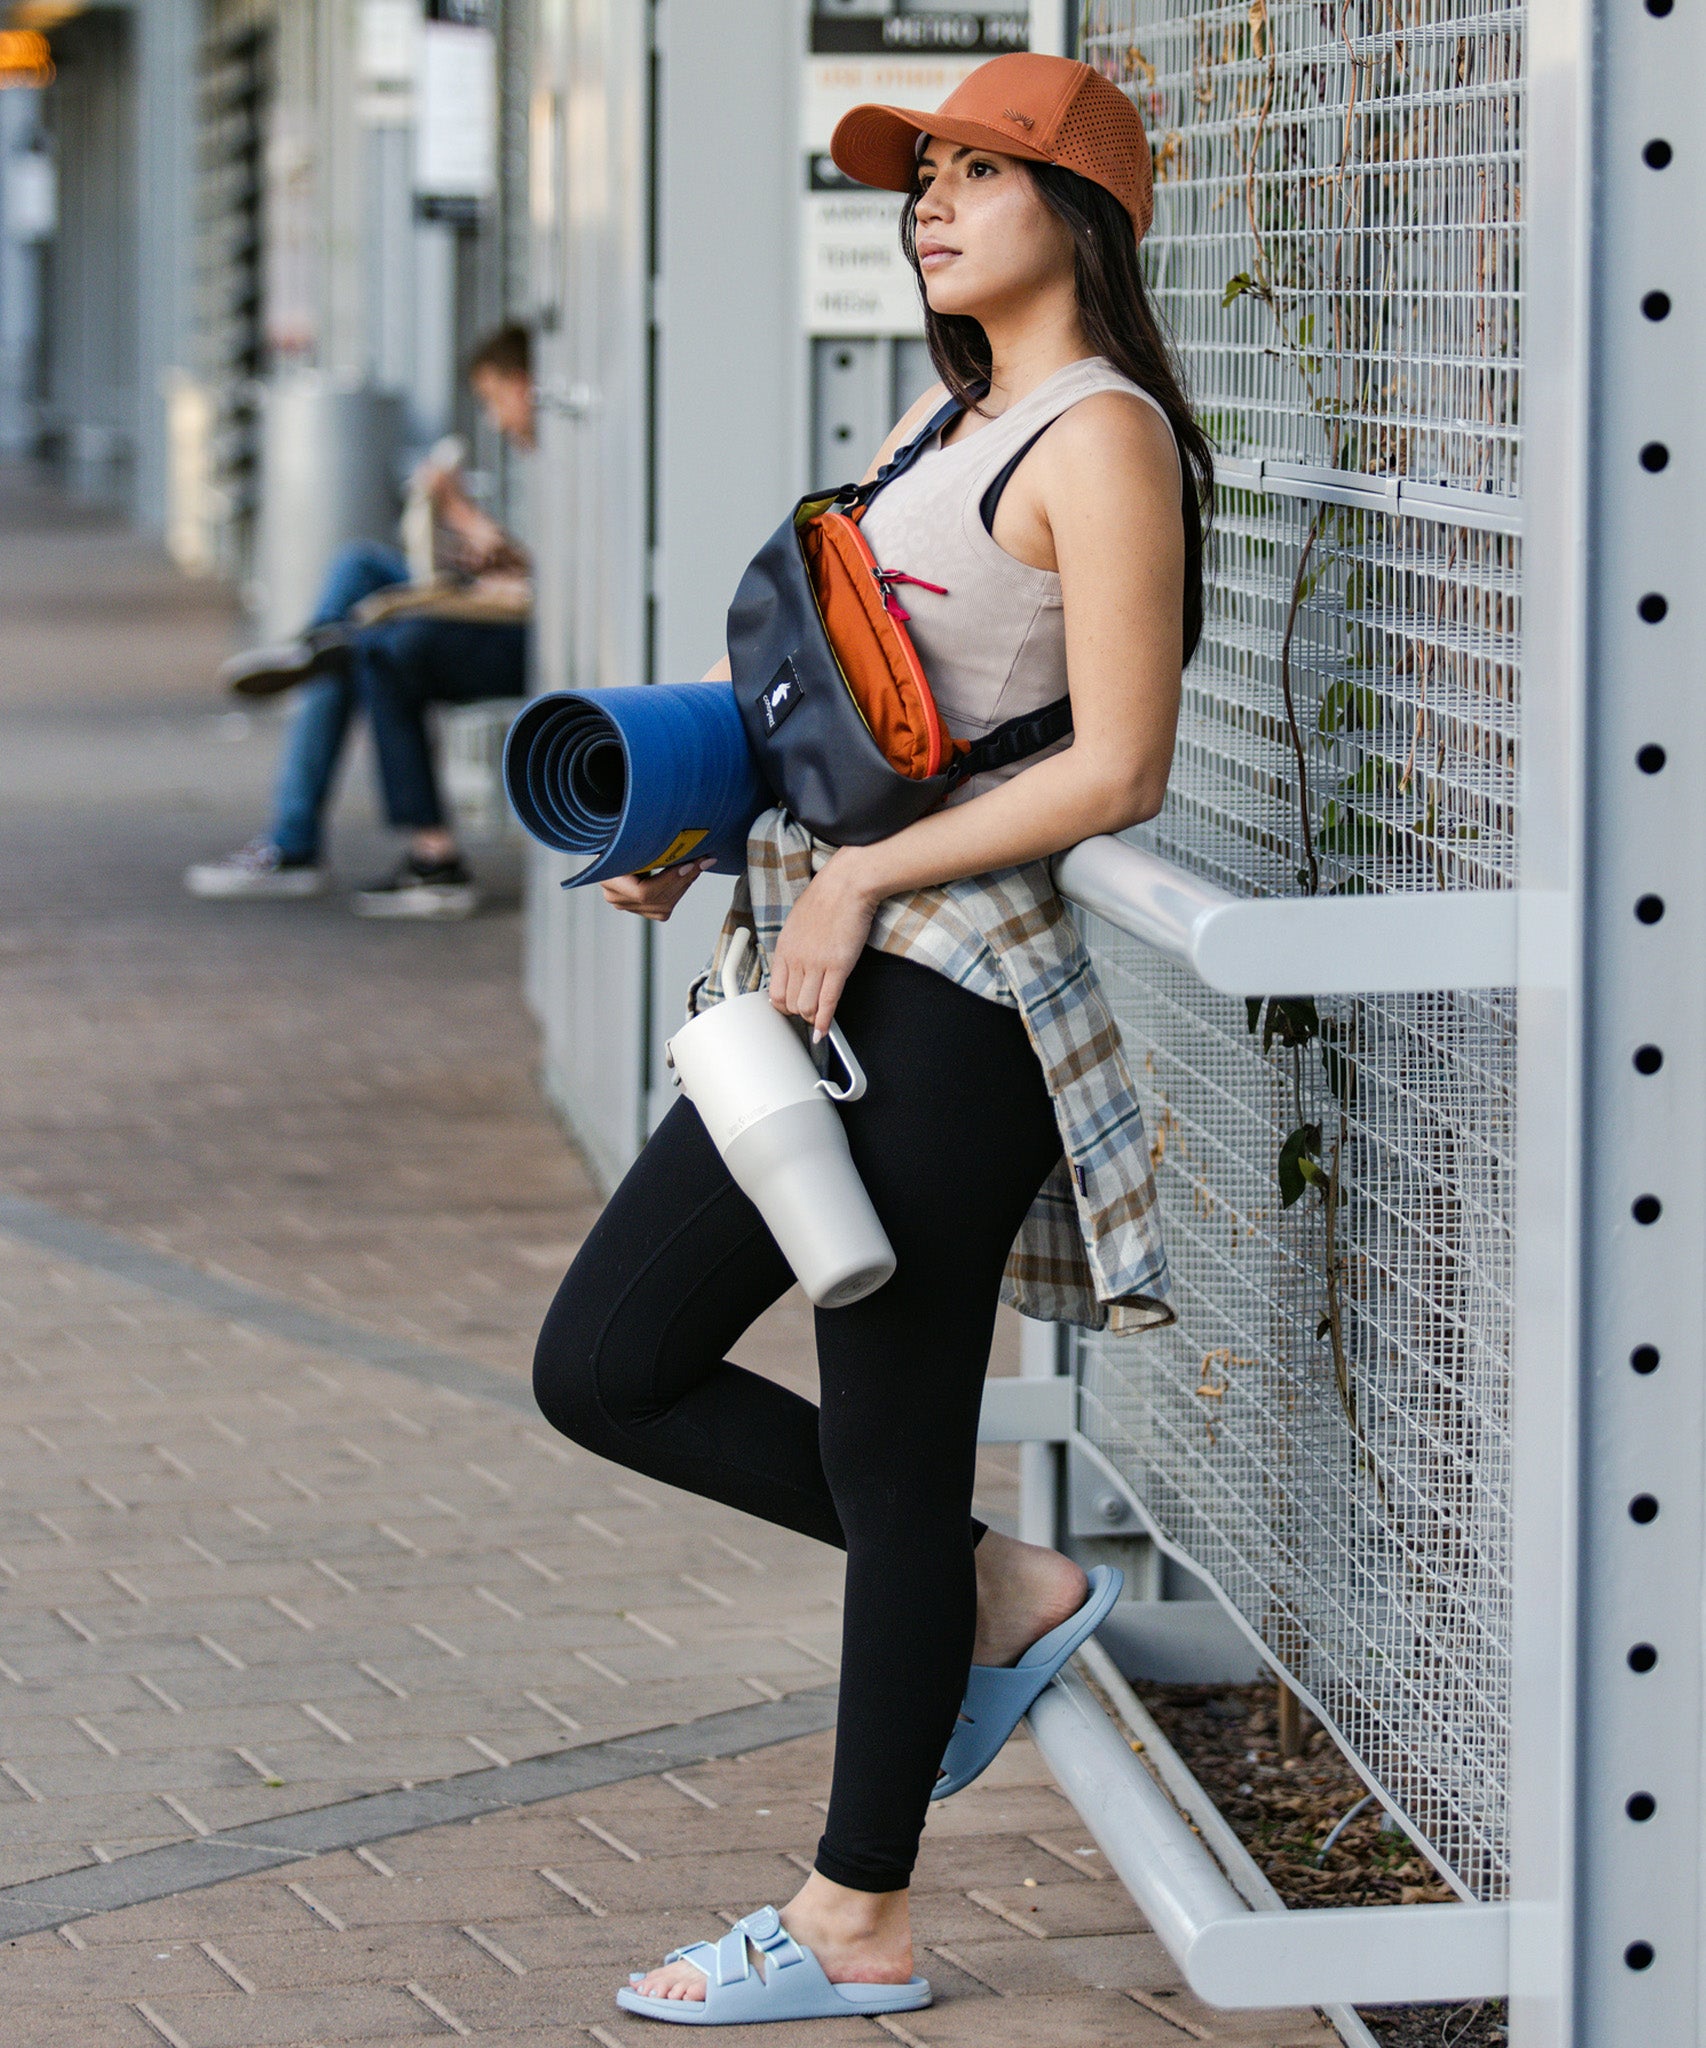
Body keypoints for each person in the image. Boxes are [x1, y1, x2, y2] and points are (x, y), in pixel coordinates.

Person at [531, 53, 1215, 2027]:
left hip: (955, 1001)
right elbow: (866, 697)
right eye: (915, 174)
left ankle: (858, 1916)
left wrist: (852, 882)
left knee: (894, 1461)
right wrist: (711, 823)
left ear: (1071, 209)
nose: (929, 202)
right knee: (608, 1362)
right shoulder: (949, 410)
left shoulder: (1098, 437)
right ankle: (1002, 1591)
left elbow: (1119, 756)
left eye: (973, 172)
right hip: (834, 974)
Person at [184, 323, 536, 919]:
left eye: (495, 398)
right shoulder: (551, 451)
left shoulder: (578, 448)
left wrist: (467, 521)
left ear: (524, 384)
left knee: (382, 649)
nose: (497, 420)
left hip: (530, 635)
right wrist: (483, 553)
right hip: (506, 607)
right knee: (360, 566)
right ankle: (315, 648)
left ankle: (432, 859)